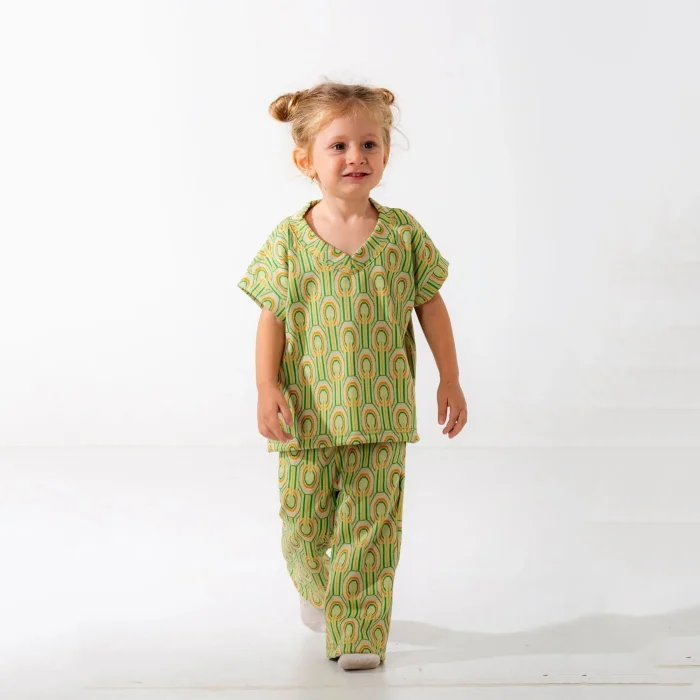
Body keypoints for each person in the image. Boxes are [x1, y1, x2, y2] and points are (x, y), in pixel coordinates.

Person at [238, 81, 468, 671]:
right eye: (338, 146)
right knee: (303, 531)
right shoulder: (289, 241)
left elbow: (431, 306)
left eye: (369, 144)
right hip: (307, 417)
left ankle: (360, 630)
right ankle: (320, 592)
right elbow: (272, 318)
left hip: (381, 414)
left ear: (386, 154)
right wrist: (266, 387)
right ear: (306, 161)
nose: (355, 157)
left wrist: (449, 378)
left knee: (371, 530)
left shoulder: (403, 235)